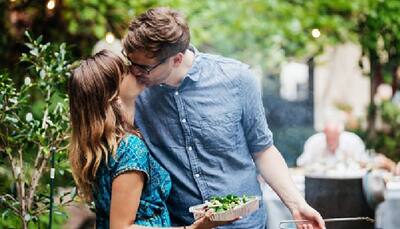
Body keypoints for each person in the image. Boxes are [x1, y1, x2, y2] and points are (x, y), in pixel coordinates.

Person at [122, 7, 325, 229]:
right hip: (180, 225)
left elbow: (263, 151)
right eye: (130, 62)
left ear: (177, 59)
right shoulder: (134, 92)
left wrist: (296, 204)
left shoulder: (237, 79)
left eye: (143, 67)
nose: (134, 71)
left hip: (245, 225)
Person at [68, 50, 233, 229]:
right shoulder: (129, 148)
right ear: (114, 93)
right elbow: (121, 227)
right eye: (125, 71)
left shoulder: (102, 146)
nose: (135, 72)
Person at [297, 122, 367, 167]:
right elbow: (301, 163)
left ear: (339, 134)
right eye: (328, 138)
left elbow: (364, 161)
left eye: (334, 138)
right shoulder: (314, 142)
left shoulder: (353, 141)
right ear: (324, 134)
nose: (331, 141)